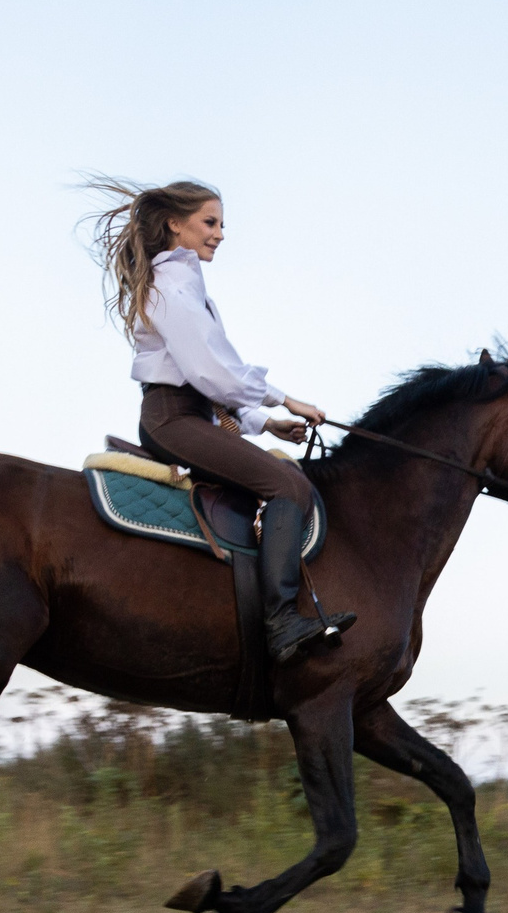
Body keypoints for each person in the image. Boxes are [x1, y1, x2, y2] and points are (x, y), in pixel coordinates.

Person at [87, 177, 354, 664]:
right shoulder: (170, 286)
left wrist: (263, 423)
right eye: (210, 222)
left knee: (280, 479)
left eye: (222, 225)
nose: (220, 234)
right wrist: (283, 400)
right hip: (174, 420)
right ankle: (281, 624)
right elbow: (210, 369)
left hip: (194, 415)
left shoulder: (187, 284)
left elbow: (213, 380)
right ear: (174, 224)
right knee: (288, 489)